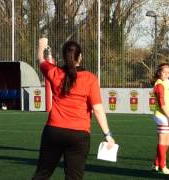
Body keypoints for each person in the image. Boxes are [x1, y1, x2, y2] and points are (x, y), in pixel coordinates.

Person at [33, 38, 115, 180]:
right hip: (79, 135)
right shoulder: (90, 79)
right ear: (80, 57)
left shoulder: (54, 72)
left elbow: (41, 60)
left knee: (42, 174)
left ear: (64, 57)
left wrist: (42, 46)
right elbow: (98, 109)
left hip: (54, 131)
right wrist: (107, 134)